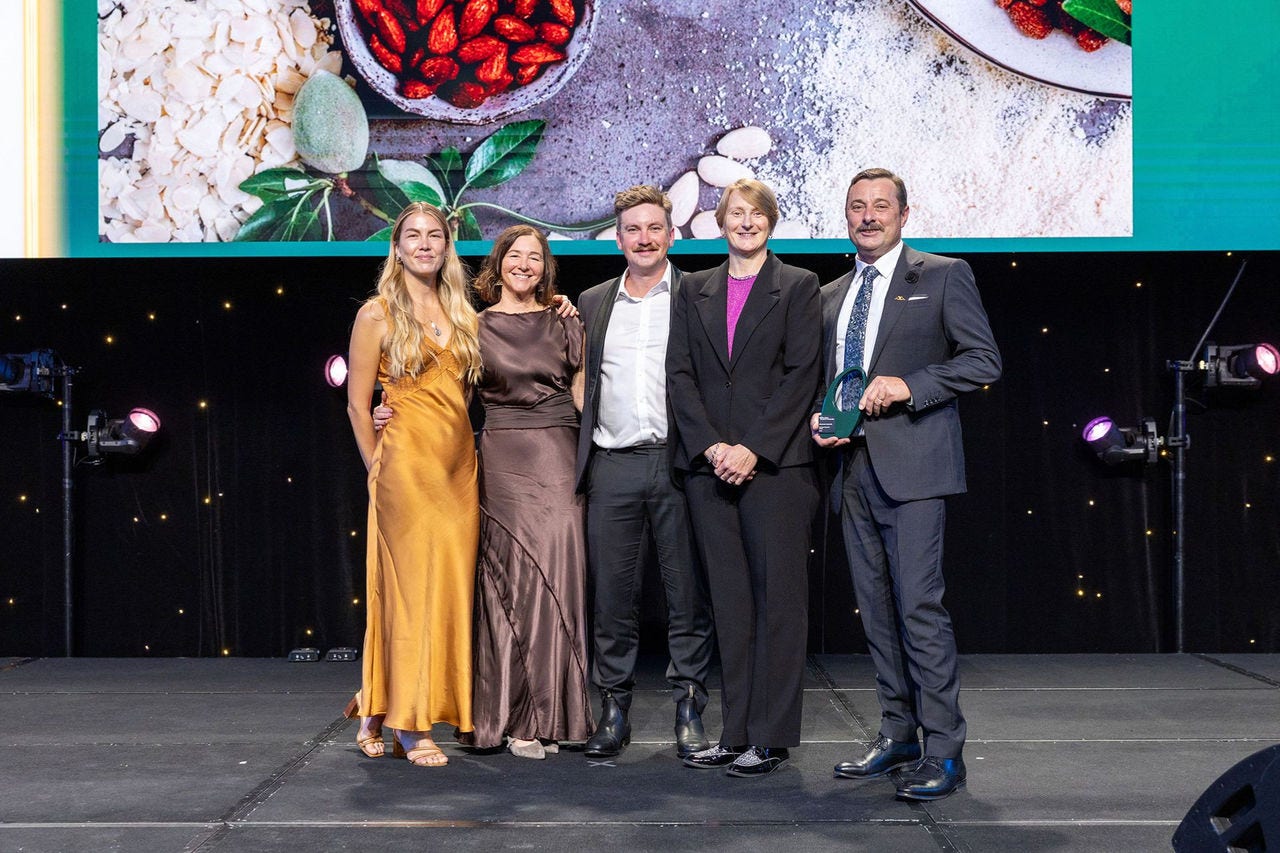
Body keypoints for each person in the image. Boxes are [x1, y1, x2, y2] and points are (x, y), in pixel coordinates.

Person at [813, 168, 1001, 801]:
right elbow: (833, 378)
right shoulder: (832, 294)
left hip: (916, 466)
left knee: (919, 607)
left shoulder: (942, 274)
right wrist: (823, 420)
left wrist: (909, 387)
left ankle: (945, 751)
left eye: (880, 206)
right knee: (877, 611)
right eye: (857, 207)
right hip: (853, 469)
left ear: (903, 214)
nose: (868, 216)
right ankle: (899, 734)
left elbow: (983, 360)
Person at [666, 178, 821, 778]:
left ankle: (772, 736)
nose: (746, 222)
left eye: (756, 214)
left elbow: (802, 374)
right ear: (719, 223)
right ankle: (735, 733)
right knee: (729, 605)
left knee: (778, 604)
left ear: (771, 222)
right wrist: (710, 447)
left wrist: (752, 448)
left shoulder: (798, 286)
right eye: (735, 213)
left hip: (776, 470)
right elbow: (679, 375)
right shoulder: (694, 289)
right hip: (710, 470)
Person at [575, 186, 715, 760]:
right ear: (618, 237)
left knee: (687, 597)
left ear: (671, 233)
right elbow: (573, 376)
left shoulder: (698, 295)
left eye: (654, 228)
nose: (644, 238)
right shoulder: (590, 301)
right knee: (611, 597)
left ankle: (689, 706)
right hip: (612, 465)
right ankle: (613, 709)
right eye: (633, 229)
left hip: (679, 465)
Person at [343, 202, 483, 767]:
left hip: (458, 473)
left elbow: (462, 397)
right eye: (413, 236)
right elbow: (356, 405)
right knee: (409, 591)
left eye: (435, 236)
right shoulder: (376, 314)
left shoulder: (462, 311)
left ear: (447, 247)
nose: (425, 244)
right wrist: (376, 464)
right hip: (404, 469)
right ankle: (409, 724)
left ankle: (375, 707)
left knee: (445, 592)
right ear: (396, 247)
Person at [461, 224, 594, 759]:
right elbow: (454, 399)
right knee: (512, 584)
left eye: (535, 257)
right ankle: (516, 718)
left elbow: (585, 390)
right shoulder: (473, 327)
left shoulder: (566, 320)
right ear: (499, 263)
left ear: (546, 267)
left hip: (560, 457)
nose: (525, 265)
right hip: (501, 460)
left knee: (561, 577)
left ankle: (557, 715)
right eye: (515, 256)